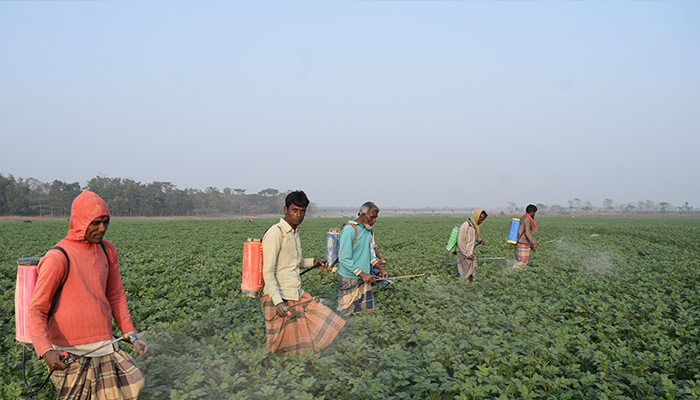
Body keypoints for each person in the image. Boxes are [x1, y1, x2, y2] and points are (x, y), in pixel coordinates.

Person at [28, 190, 147, 400]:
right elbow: (37, 310)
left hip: (104, 346)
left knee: (132, 386)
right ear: (81, 222)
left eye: (105, 222)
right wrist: (46, 351)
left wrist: (131, 334)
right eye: (96, 223)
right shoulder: (58, 258)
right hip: (72, 353)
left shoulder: (107, 250)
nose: (102, 228)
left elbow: (116, 295)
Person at [261, 191, 345, 355]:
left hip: (295, 293)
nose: (298, 215)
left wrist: (313, 261)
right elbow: (268, 272)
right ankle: (266, 370)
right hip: (278, 296)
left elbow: (293, 263)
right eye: (294, 210)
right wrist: (278, 302)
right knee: (278, 345)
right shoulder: (275, 233)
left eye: (302, 211)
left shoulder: (294, 232)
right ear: (285, 210)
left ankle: (300, 366)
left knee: (323, 322)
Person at [336, 202, 387, 316]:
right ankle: (341, 333)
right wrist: (362, 274)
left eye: (375, 218)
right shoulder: (349, 230)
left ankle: (361, 333)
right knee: (344, 313)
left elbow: (367, 252)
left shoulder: (367, 229)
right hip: (349, 279)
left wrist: (380, 268)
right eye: (372, 217)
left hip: (364, 278)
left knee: (365, 312)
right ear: (363, 214)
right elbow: (344, 258)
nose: (374, 221)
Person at [456, 209, 488, 282]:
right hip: (464, 254)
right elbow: (460, 243)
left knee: (472, 272)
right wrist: (467, 255)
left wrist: (480, 240)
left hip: (471, 253)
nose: (481, 222)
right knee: (465, 274)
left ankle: (470, 287)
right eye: (481, 219)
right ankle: (463, 288)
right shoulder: (465, 226)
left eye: (483, 220)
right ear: (476, 217)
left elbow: (474, 237)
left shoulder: (473, 226)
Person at [513, 204, 539, 269]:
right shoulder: (527, 219)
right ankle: (510, 272)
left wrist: (531, 246)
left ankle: (511, 274)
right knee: (522, 263)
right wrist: (533, 243)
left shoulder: (523, 217)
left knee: (517, 262)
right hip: (523, 243)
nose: (534, 214)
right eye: (534, 213)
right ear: (532, 212)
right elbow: (527, 232)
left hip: (518, 243)